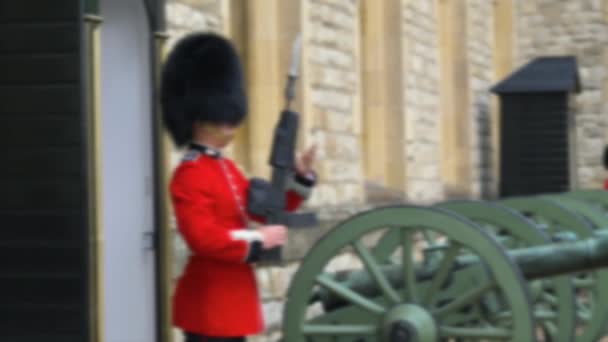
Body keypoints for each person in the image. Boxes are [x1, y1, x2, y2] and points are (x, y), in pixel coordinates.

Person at [160, 32, 317, 342]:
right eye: (222, 117)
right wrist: (257, 239)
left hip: (234, 302)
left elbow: (269, 209)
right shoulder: (189, 174)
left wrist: (299, 177)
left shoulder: (227, 168)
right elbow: (203, 238)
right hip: (208, 306)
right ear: (199, 116)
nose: (230, 124)